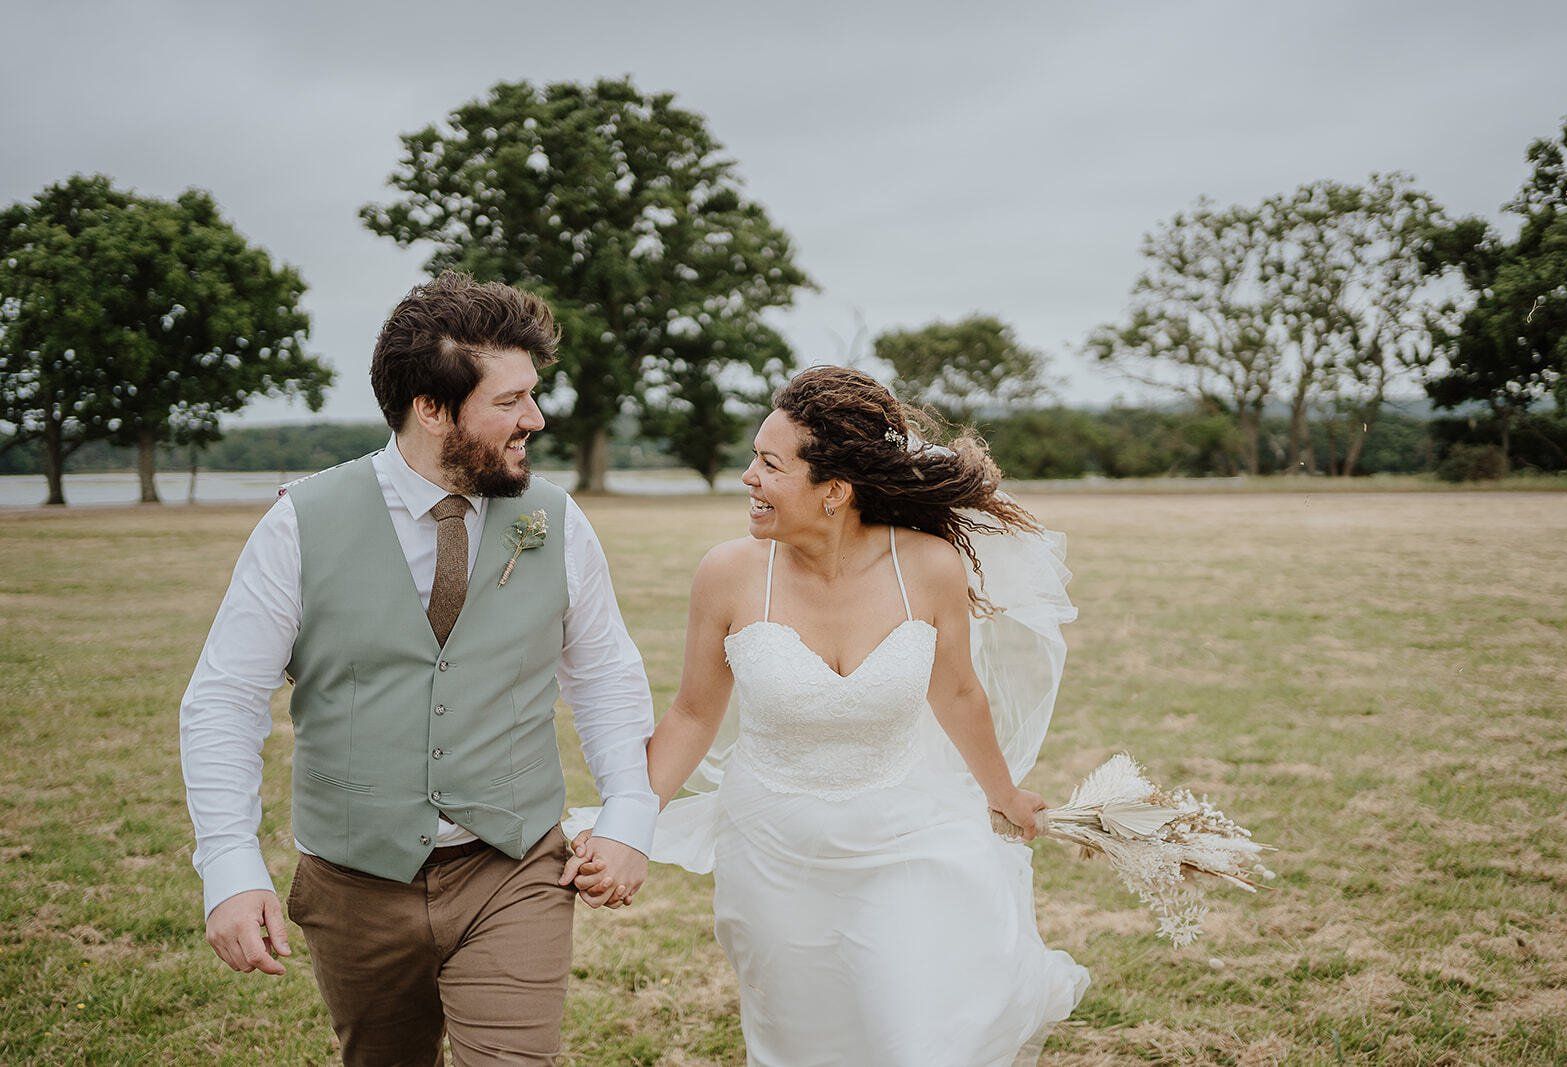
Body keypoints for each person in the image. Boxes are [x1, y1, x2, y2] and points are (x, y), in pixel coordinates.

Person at [179, 272, 653, 1066]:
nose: (535, 419)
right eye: (510, 401)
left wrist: (629, 812)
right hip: (353, 882)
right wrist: (228, 862)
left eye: (533, 396)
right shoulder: (299, 525)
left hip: (514, 868)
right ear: (431, 408)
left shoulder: (558, 521)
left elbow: (604, 673)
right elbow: (225, 698)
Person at [568, 365, 1091, 1066]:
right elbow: (692, 715)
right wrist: (626, 824)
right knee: (804, 1044)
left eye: (770, 464)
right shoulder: (727, 574)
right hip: (773, 855)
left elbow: (959, 693)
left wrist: (1004, 793)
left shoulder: (930, 568)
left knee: (911, 1038)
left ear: (834, 491)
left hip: (907, 838)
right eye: (754, 458)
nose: (749, 476)